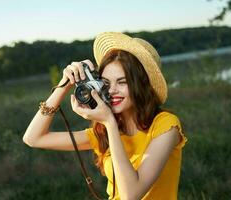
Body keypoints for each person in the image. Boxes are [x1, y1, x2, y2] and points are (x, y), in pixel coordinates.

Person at [23, 32, 188, 200]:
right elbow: (33, 138)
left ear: (141, 85)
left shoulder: (165, 125)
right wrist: (63, 85)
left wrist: (109, 122)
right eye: (106, 83)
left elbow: (131, 195)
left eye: (122, 82)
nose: (111, 90)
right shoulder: (102, 131)